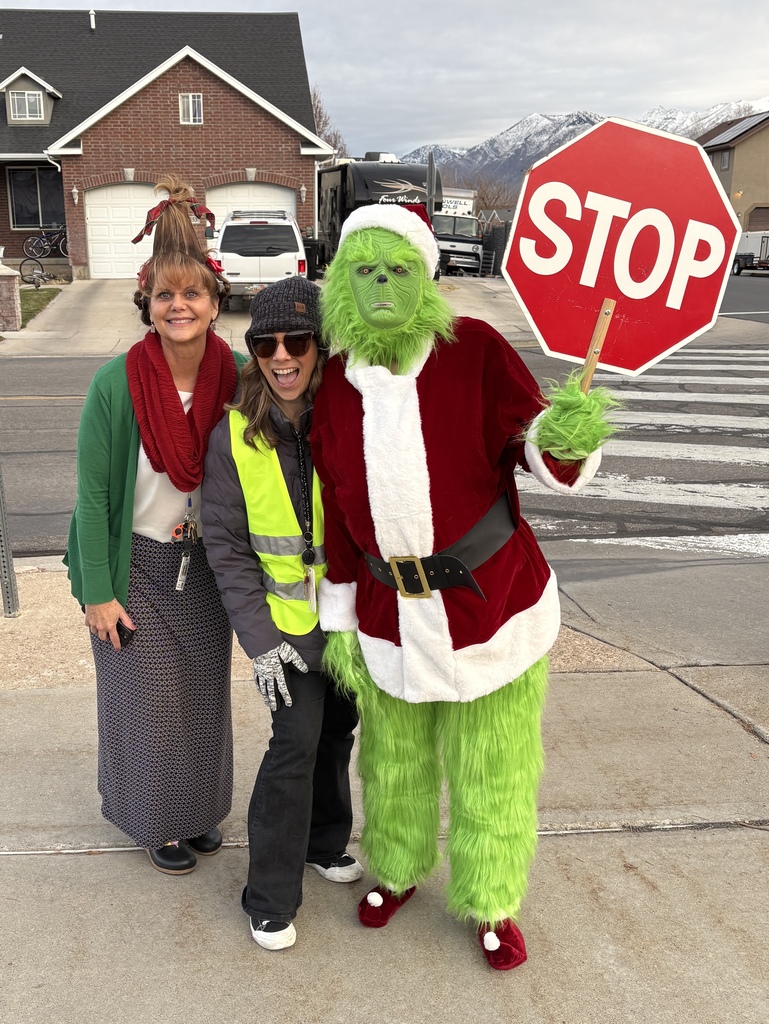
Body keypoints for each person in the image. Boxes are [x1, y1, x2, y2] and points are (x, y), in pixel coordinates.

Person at [311, 205, 616, 970]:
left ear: (427, 279)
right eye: (366, 272)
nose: (382, 285)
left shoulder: (474, 350)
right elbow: (341, 520)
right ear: (342, 285)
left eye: (399, 270)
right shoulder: (337, 388)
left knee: (492, 765)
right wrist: (342, 619)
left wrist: (566, 437)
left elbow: (538, 451)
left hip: (490, 604)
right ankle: (400, 869)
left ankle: (490, 899)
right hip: (387, 612)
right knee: (394, 763)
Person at [65, 176, 248, 875]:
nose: (179, 305)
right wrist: (98, 592)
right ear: (147, 301)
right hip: (132, 566)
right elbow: (93, 498)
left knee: (202, 698)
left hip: (207, 566)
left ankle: (197, 813)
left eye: (192, 293)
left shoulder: (234, 378)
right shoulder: (117, 383)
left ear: (213, 300)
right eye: (166, 294)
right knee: (147, 703)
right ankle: (156, 822)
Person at [201, 276, 362, 952]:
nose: (282, 355)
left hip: (353, 623)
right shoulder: (234, 435)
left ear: (320, 346)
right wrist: (261, 641)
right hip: (288, 633)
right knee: (294, 745)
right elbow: (229, 549)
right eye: (266, 343)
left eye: (296, 339)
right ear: (255, 353)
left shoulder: (348, 417)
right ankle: (267, 895)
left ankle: (325, 843)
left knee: (337, 735)